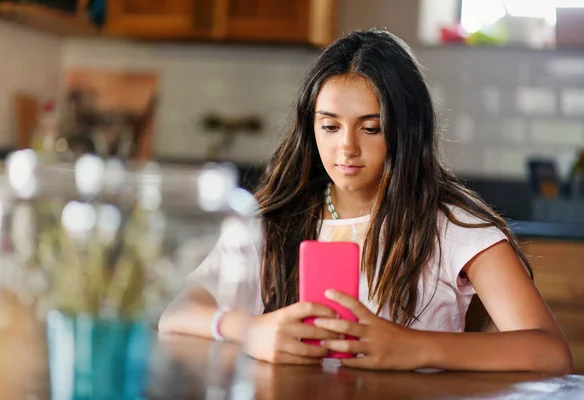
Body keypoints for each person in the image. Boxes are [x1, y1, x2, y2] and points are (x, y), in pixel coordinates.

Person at [158, 29, 572, 374]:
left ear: (405, 131)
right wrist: (250, 330)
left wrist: (412, 347)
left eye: (371, 128)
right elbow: (176, 315)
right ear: (309, 128)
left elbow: (550, 353)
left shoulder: (454, 228)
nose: (347, 148)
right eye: (330, 127)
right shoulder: (271, 221)